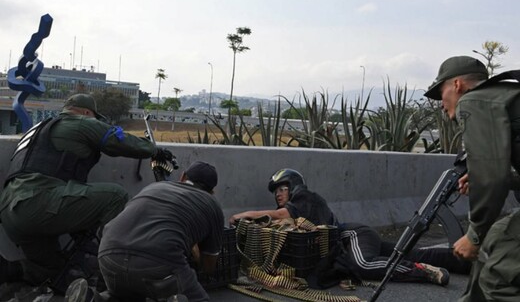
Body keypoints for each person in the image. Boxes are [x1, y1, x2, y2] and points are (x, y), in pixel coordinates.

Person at [0, 93, 173, 294]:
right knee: (115, 196)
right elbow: (117, 140)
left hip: (10, 212)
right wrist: (154, 150)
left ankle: (11, 270)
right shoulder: (81, 122)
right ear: (85, 112)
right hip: (39, 201)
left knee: (54, 270)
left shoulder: (37, 129)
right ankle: (109, 272)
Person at [230, 168, 470, 287]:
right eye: (276, 192)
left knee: (364, 264)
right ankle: (463, 260)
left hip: (351, 235)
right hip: (356, 238)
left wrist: (246, 215)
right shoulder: (300, 203)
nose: (278, 195)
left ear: (293, 186)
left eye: (282, 189)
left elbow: (280, 215)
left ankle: (421, 271)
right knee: (405, 251)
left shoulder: (304, 197)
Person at [424, 55, 520, 301]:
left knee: (499, 276)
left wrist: (474, 234)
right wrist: (503, 178)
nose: (442, 105)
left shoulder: (475, 101)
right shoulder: (505, 95)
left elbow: (491, 179)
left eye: (441, 92)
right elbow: (496, 174)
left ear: (457, 85)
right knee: (497, 239)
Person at [65, 161, 224, 302]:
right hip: (159, 261)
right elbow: (208, 266)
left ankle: (94, 298)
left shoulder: (154, 187)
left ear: (182, 177)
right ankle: (173, 296)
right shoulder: (212, 204)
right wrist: (195, 255)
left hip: (109, 252)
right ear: (212, 192)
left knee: (125, 295)